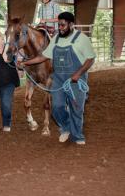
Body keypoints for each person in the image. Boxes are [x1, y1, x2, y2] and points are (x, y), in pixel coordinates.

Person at [19, 12, 96, 145]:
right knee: (57, 107)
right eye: (58, 25)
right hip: (59, 78)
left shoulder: (82, 38)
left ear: (71, 24)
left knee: (77, 108)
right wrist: (25, 63)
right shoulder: (56, 39)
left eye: (62, 25)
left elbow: (90, 58)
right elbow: (44, 56)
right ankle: (66, 127)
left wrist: (78, 74)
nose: (59, 27)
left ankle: (77, 136)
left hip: (76, 78)